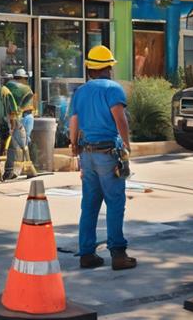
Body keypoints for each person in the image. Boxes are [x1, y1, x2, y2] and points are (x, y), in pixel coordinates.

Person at [69, 46, 137, 271]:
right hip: (108, 153)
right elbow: (121, 119)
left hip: (87, 154)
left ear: (89, 68)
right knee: (115, 202)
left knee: (89, 204)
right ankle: (118, 253)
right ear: (108, 68)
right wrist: (126, 145)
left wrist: (74, 147)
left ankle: (86, 254)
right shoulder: (113, 89)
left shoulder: (80, 92)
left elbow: (74, 123)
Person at [2, 68, 36, 180]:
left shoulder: (17, 88)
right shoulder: (19, 88)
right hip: (20, 117)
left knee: (20, 143)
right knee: (21, 144)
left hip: (22, 117)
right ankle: (20, 169)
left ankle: (17, 170)